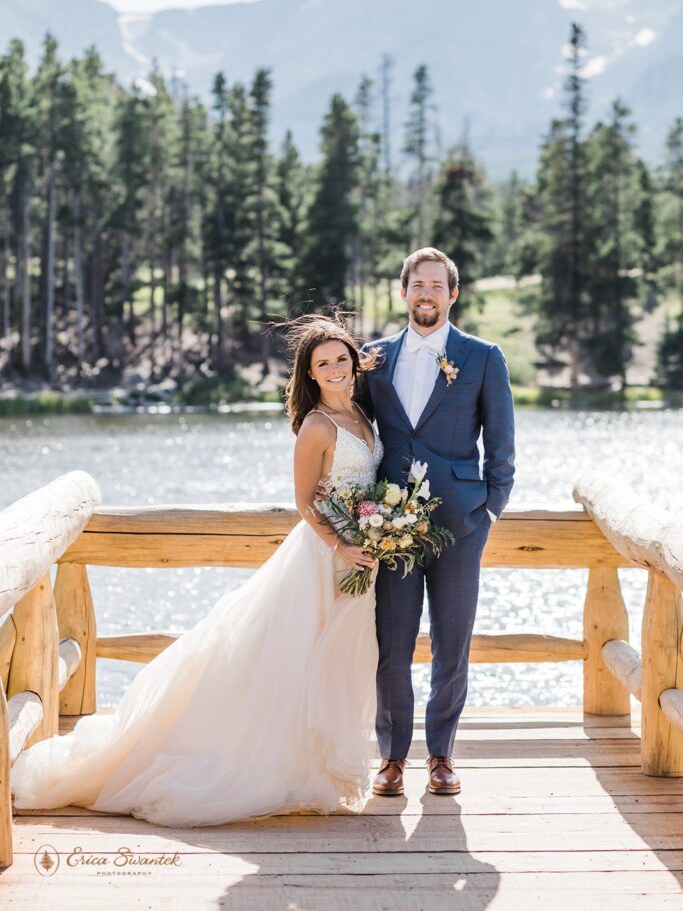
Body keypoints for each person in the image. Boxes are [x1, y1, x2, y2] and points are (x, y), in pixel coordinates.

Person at [11, 317, 382, 827]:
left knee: (335, 662)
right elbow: (303, 503)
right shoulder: (318, 426)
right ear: (311, 374)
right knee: (297, 660)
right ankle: (285, 767)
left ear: (354, 362)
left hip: (359, 556)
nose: (335, 369)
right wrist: (342, 544)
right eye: (324, 364)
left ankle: (325, 766)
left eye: (342, 359)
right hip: (324, 559)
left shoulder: (362, 412)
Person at [356, 247, 515, 798]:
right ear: (403, 293)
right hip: (391, 530)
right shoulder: (372, 360)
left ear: (453, 294)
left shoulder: (483, 357)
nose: (426, 294)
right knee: (391, 646)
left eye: (436, 285)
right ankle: (391, 758)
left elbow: (502, 450)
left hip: (462, 527)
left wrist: (488, 511)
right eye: (417, 285)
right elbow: (354, 434)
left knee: (453, 643)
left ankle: (442, 754)